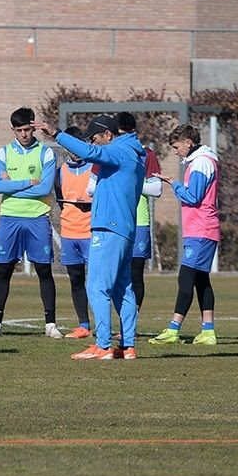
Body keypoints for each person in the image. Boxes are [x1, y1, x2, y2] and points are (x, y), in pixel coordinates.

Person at [36, 114, 145, 359]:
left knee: (97, 286)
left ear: (108, 134)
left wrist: (57, 134)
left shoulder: (118, 150)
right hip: (124, 228)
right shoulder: (135, 153)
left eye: (95, 138)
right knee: (123, 288)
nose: (93, 143)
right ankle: (127, 347)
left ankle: (103, 346)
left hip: (109, 227)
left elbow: (89, 153)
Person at [0, 107, 61, 339]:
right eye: (19, 130)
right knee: (4, 269)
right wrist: (28, 182)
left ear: (33, 128)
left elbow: (45, 188)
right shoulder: (4, 153)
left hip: (37, 217)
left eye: (27, 129)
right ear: (13, 130)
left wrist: (13, 186)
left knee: (43, 269)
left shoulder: (45, 153)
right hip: (10, 217)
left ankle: (50, 324)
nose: (24, 134)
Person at [148, 124, 220, 346]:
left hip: (202, 229)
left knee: (186, 277)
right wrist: (174, 183)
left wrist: (175, 185)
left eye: (176, 146)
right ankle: (208, 332)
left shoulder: (201, 162)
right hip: (200, 229)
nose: (175, 151)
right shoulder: (200, 160)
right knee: (200, 280)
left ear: (188, 142)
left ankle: (173, 329)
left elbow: (193, 196)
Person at [115, 112, 163, 312]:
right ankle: (117, 318)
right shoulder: (110, 153)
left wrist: (131, 184)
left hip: (139, 222)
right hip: (116, 221)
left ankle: (131, 321)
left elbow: (157, 188)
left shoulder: (146, 154)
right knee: (115, 274)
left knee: (135, 274)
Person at [53, 127, 95, 339]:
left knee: (97, 281)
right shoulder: (60, 172)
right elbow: (61, 200)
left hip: (92, 233)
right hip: (69, 233)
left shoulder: (95, 168)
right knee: (76, 279)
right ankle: (83, 325)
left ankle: (104, 324)